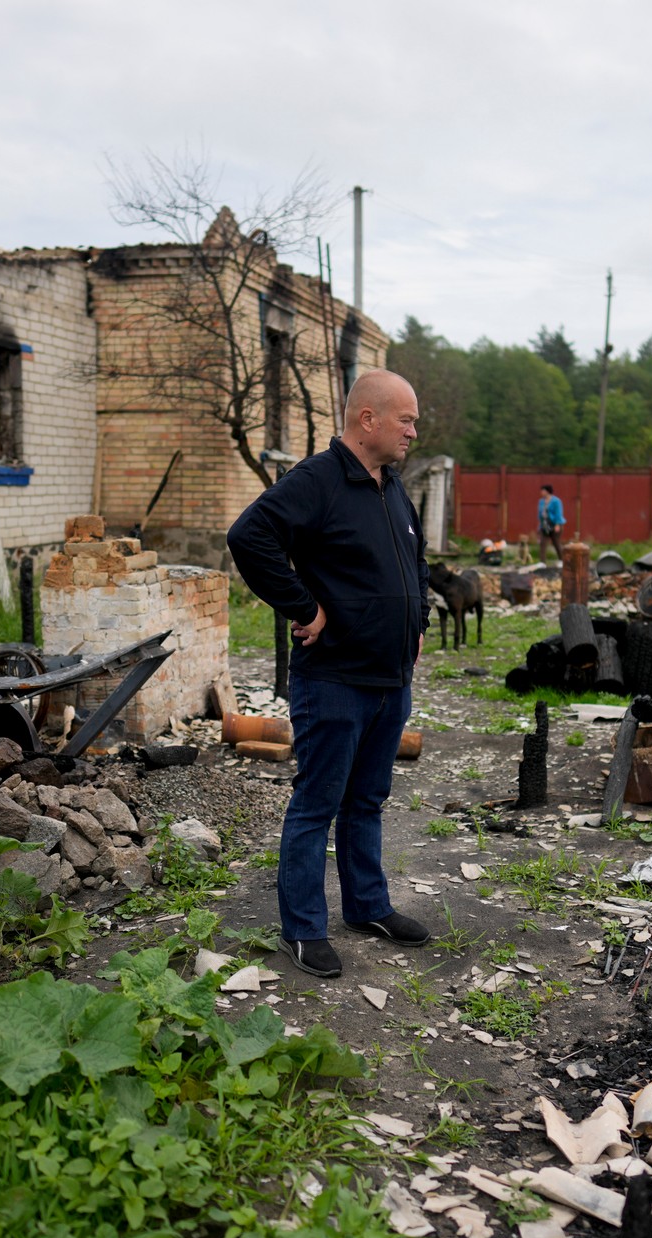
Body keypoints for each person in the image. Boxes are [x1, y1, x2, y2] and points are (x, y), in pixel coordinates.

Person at [226, 369, 433, 977]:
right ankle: (303, 930)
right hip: (334, 679)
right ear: (366, 419)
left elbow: (416, 560)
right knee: (317, 803)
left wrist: (416, 619)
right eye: (405, 420)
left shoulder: (391, 485)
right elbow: (249, 536)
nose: (413, 433)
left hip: (389, 679)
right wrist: (303, 605)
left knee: (366, 799)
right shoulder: (316, 480)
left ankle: (367, 906)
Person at [537, 484, 565, 560]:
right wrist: (540, 525)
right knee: (542, 543)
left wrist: (557, 524)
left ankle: (562, 560)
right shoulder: (541, 501)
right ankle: (542, 562)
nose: (541, 492)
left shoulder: (556, 501)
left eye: (543, 491)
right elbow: (540, 514)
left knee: (556, 543)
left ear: (547, 491)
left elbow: (558, 513)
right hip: (545, 525)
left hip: (554, 524)